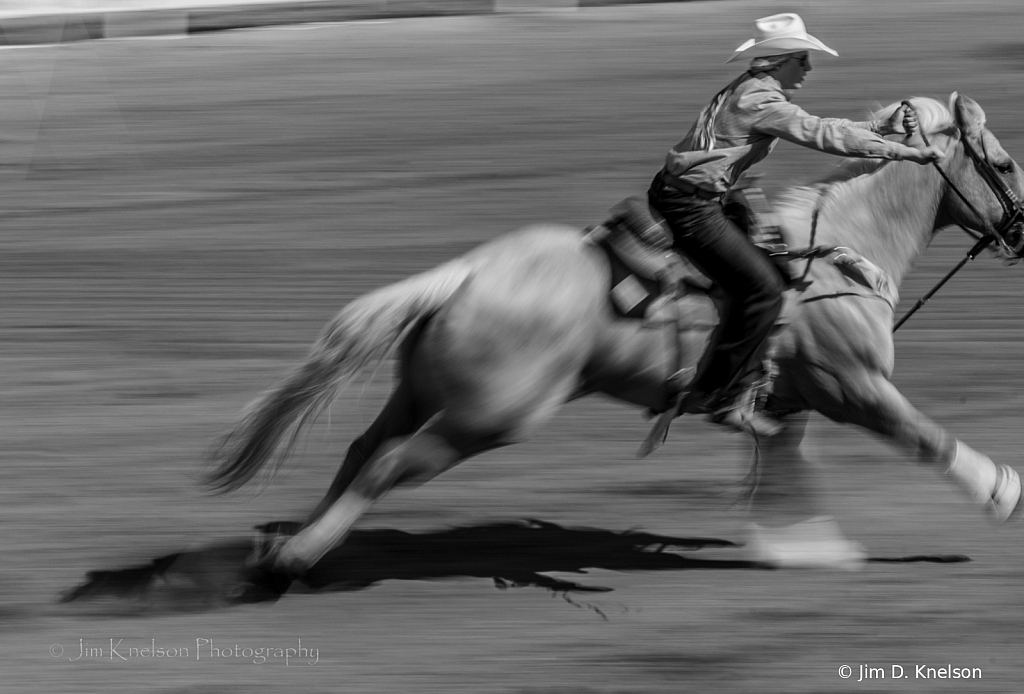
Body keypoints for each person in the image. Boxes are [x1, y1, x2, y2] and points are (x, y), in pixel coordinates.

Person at [647, 12, 945, 436]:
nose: (809, 66)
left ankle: (763, 372)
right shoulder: (760, 101)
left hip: (704, 194)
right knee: (763, 290)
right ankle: (720, 394)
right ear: (780, 60)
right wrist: (904, 153)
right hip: (691, 206)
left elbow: (819, 125)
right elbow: (819, 134)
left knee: (779, 261)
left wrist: (880, 127)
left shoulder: (755, 90)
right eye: (802, 58)